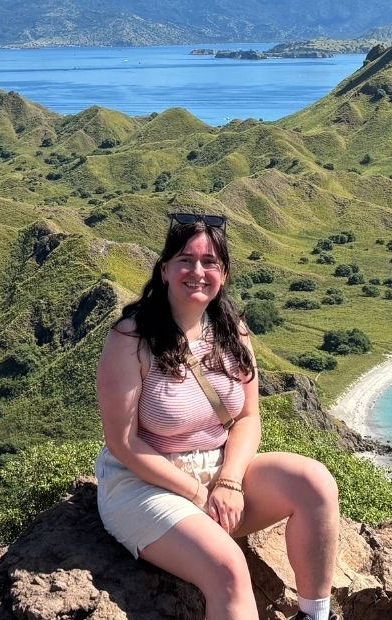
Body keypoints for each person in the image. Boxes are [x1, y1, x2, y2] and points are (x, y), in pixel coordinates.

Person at [94, 213, 342, 620]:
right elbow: (124, 442)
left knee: (314, 482)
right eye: (186, 260)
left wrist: (228, 481)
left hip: (218, 468)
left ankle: (315, 615)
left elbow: (246, 417)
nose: (197, 271)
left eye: (209, 262)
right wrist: (194, 492)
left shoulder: (232, 330)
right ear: (164, 270)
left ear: (223, 274)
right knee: (228, 568)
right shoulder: (130, 340)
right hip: (144, 483)